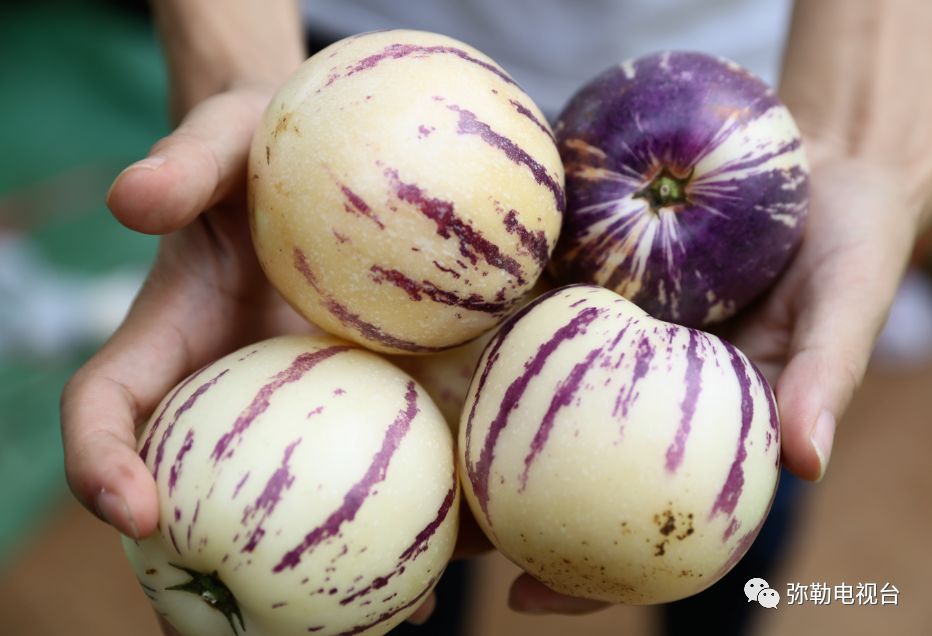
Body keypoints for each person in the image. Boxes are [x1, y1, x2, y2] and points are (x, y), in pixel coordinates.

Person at [60, 0, 932, 633]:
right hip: (365, 70)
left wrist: (858, 131)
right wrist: (235, 70)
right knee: (430, 574)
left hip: (745, 86)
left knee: (752, 502)